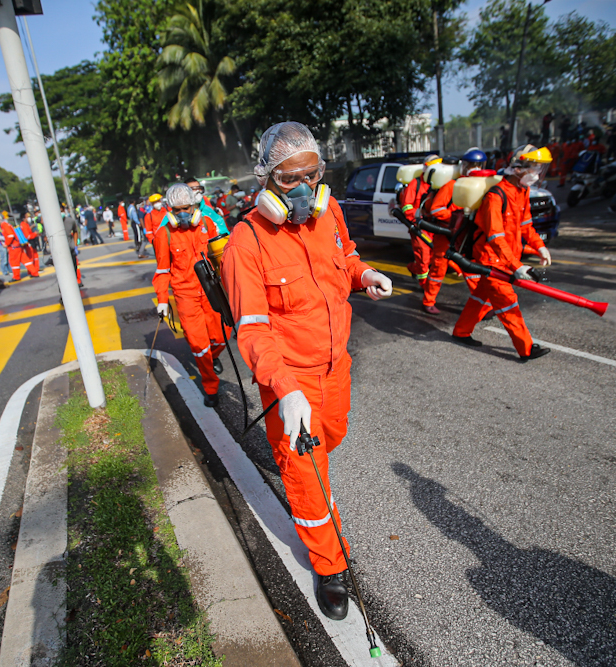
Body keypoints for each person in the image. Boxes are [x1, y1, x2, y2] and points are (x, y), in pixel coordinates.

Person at [221, 121, 393, 621]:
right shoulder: (246, 244)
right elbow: (251, 333)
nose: (303, 190)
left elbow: (348, 258)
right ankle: (329, 566)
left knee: (330, 442)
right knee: (307, 474)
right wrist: (286, 390)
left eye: (310, 175)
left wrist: (366, 275)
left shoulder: (331, 211)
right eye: (288, 180)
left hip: (338, 368)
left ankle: (321, 515)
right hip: (290, 383)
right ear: (266, 179)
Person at [451, 144, 552, 360]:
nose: (536, 174)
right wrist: (518, 266)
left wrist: (539, 246)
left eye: (538, 169)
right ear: (517, 168)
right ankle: (526, 348)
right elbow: (495, 237)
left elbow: (526, 225)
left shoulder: (521, 191)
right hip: (491, 259)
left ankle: (461, 331)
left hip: (506, 257)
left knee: (480, 297)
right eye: (533, 168)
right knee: (508, 303)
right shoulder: (495, 197)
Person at [153, 183, 226, 406]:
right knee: (199, 345)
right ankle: (210, 387)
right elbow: (162, 270)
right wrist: (163, 300)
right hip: (185, 295)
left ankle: (213, 357)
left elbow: (220, 257)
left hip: (211, 290)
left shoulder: (207, 224)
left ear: (195, 206)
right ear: (170, 211)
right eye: (177, 210)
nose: (183, 214)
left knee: (221, 337)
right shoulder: (163, 235)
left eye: (186, 208)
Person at [418, 149, 493, 315]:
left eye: (477, 165)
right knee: (439, 268)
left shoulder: (480, 186)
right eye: (470, 164)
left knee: (471, 269)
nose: (474, 168)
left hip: (465, 235)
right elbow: (437, 209)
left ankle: (484, 305)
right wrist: (455, 218)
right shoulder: (452, 185)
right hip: (446, 233)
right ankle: (428, 301)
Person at [400, 155, 440, 288]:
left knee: (434, 258)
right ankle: (424, 285)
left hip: (435, 226)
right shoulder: (415, 184)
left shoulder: (439, 184)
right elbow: (407, 206)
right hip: (419, 226)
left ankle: (413, 268)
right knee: (423, 258)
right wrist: (417, 218)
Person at [1, 213, 40, 280]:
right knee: (26, 260)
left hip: (14, 247)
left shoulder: (4, 225)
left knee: (14, 262)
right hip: (18, 245)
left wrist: (6, 244)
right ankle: (34, 272)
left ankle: (16, 276)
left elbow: (10, 235)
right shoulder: (9, 224)